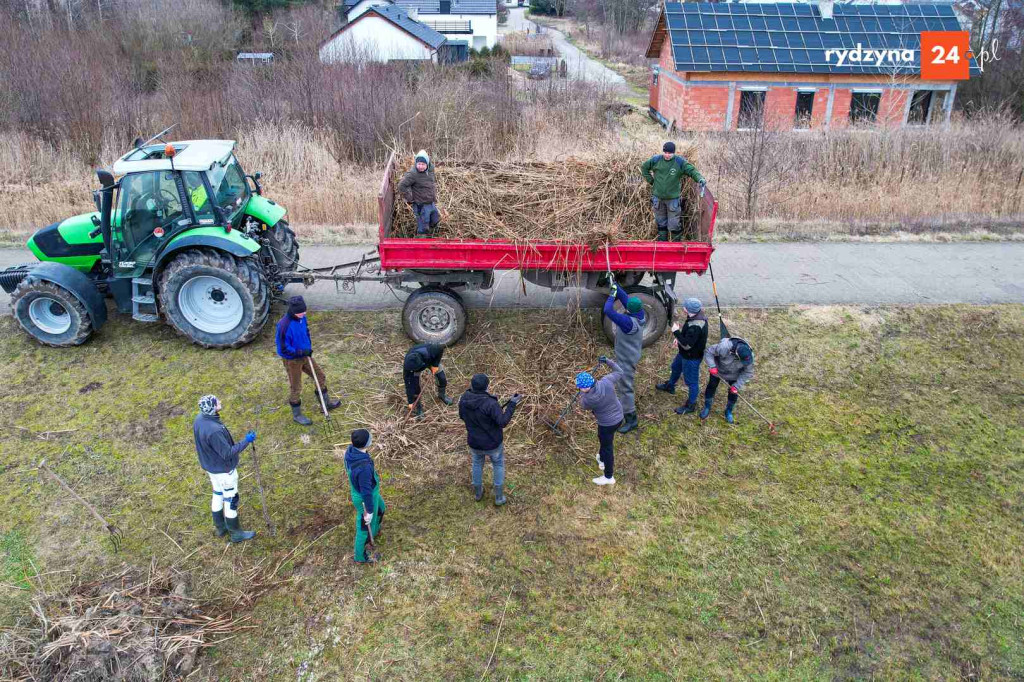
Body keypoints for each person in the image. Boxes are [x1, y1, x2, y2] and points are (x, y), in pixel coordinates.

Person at [193, 394, 257, 543]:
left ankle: (220, 528)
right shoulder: (214, 430)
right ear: (212, 407)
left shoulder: (199, 419)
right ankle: (236, 534)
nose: (220, 401)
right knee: (231, 500)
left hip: (211, 468)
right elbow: (227, 453)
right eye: (217, 402)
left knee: (217, 493)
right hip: (224, 471)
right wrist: (246, 441)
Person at [458, 373, 524, 505]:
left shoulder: (464, 399)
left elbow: (462, 416)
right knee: (498, 465)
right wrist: (512, 404)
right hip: (493, 444)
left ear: (472, 385)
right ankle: (499, 498)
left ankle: (478, 493)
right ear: (487, 387)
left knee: (477, 464)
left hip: (474, 443)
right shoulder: (490, 403)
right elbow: (502, 422)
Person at [276, 295, 341, 426]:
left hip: (306, 356)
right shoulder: (284, 325)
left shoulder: (302, 318)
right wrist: (300, 352)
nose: (304, 314)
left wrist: (308, 348)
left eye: (304, 311)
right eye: (301, 312)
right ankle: (297, 415)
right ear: (293, 311)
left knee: (320, 376)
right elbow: (283, 349)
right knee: (296, 387)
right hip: (292, 360)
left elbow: (306, 332)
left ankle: (326, 404)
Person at [640, 141, 706, 242]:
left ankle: (676, 246)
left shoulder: (679, 162)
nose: (667, 155)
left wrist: (700, 179)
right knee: (661, 223)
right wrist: (652, 181)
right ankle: (663, 245)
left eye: (669, 153)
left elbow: (692, 171)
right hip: (658, 199)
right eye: (665, 152)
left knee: (674, 224)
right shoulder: (656, 160)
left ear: (674, 153)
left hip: (673, 200)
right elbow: (644, 168)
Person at [604, 283, 645, 434]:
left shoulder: (628, 323)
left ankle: (631, 419)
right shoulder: (640, 313)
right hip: (630, 356)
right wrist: (614, 284)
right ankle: (624, 409)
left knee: (625, 388)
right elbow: (625, 298)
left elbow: (608, 310)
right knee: (622, 386)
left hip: (625, 362)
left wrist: (611, 295)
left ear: (628, 309)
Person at [656, 297, 709, 415]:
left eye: (684, 306)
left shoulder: (696, 325)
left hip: (691, 358)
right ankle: (670, 386)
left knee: (691, 381)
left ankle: (691, 405)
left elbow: (687, 345)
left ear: (687, 309)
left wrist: (676, 332)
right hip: (684, 354)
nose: (683, 307)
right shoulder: (696, 315)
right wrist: (679, 339)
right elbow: (687, 339)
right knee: (675, 367)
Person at [577, 356, 624, 486]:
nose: (579, 390)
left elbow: (583, 405)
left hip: (606, 424)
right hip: (619, 417)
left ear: (585, 388)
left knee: (608, 446)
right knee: (603, 439)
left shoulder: (587, 399)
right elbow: (620, 372)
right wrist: (608, 361)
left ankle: (608, 477)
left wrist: (582, 393)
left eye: (580, 387)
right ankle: (602, 458)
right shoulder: (606, 381)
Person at [344, 429, 387, 564]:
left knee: (381, 508)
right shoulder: (364, 468)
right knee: (363, 526)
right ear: (366, 444)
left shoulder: (351, 451)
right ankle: (360, 556)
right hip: (365, 497)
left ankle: (373, 531)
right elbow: (366, 491)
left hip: (369, 492)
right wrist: (368, 511)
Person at [701, 337, 755, 424]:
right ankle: (707, 407)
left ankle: (728, 411)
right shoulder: (724, 347)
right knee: (711, 386)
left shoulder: (749, 356)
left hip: (734, 375)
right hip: (717, 371)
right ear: (737, 354)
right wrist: (712, 366)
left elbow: (748, 372)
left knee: (733, 394)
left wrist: (736, 386)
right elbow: (708, 352)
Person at [397, 149, 441, 238]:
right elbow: (401, 185)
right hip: (420, 205)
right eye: (419, 164)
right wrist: (410, 198)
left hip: (430, 202)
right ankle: (421, 241)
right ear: (416, 163)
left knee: (436, 219)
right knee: (423, 227)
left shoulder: (431, 170)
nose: (420, 166)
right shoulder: (413, 174)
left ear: (427, 164)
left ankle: (430, 234)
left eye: (423, 164)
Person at [403, 342, 453, 418]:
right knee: (416, 388)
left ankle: (441, 395)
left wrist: (435, 365)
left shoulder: (430, 349)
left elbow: (440, 348)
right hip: (415, 369)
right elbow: (409, 385)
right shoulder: (408, 368)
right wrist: (410, 401)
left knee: (442, 378)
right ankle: (419, 408)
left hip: (430, 361)